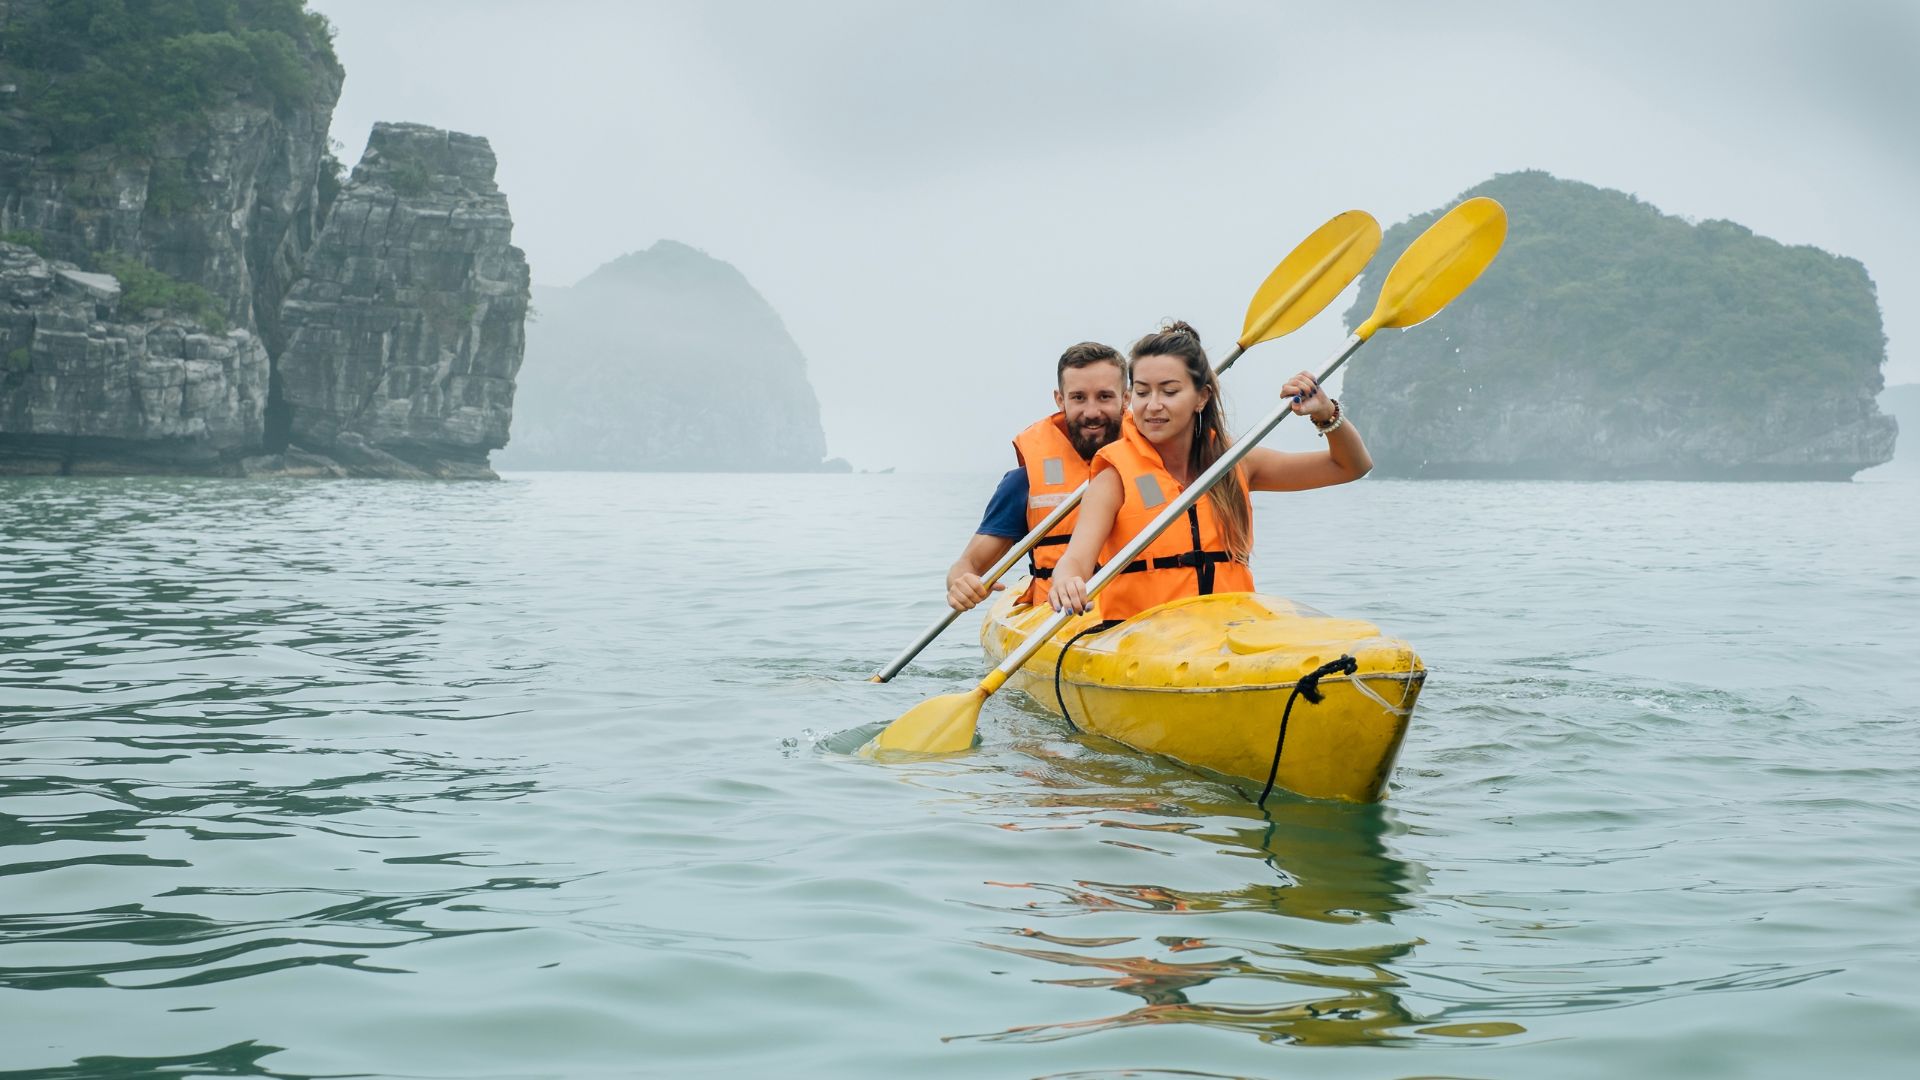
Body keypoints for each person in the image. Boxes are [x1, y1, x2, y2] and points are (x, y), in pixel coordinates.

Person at [1047, 321, 1371, 620]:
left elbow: (1350, 466)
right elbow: (1075, 560)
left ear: (1201, 397)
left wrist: (1326, 415)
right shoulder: (1114, 476)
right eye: (1143, 392)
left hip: (1230, 631)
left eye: (1169, 391)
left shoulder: (1235, 464)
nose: (1153, 405)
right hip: (1144, 637)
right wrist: (1067, 582)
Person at [946, 341, 1127, 612]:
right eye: (1078, 397)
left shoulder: (1159, 464)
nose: (1091, 412)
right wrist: (960, 583)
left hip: (1144, 616)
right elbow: (967, 565)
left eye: (1104, 396)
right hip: (1064, 620)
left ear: (1126, 397)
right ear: (1059, 399)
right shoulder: (1024, 482)